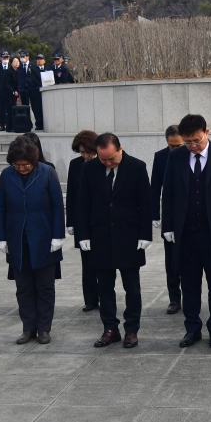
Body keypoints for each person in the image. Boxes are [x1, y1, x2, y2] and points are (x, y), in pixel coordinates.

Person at [161, 114, 211, 349]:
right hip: (186, 235)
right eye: (187, 142)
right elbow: (170, 193)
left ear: (207, 132)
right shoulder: (176, 157)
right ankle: (192, 328)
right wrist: (168, 227)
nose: (192, 146)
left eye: (196, 140)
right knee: (190, 285)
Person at [77, 133, 152, 349]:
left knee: (132, 288)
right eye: (103, 159)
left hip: (129, 236)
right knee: (105, 288)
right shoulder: (89, 169)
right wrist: (83, 235)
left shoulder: (137, 167)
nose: (108, 163)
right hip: (99, 236)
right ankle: (110, 328)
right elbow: (83, 203)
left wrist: (145, 235)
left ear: (120, 149)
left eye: (111, 158)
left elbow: (145, 203)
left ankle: (131, 329)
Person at [0, 137, 65, 344]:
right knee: (23, 286)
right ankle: (28, 327)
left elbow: (57, 206)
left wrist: (57, 235)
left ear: (34, 161)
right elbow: (0, 206)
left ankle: (44, 328)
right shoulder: (7, 175)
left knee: (44, 286)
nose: (21, 168)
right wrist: (1, 237)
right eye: (17, 165)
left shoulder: (47, 172)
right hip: (17, 237)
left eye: (25, 164)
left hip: (43, 236)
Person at [150, 125, 185, 314]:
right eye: (172, 146)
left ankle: (189, 295)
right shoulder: (161, 157)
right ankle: (174, 297)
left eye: (179, 145)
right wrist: (154, 215)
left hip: (189, 215)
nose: (176, 150)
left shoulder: (191, 154)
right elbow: (155, 188)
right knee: (171, 259)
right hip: (170, 215)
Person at [66, 130, 100, 312]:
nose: (86, 155)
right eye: (82, 152)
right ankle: (90, 299)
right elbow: (71, 194)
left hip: (100, 219)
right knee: (86, 263)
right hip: (82, 220)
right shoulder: (76, 165)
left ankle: (104, 294)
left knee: (101, 262)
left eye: (89, 151)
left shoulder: (103, 162)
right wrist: (70, 221)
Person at [18, 50, 44, 130]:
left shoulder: (33, 66)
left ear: (28, 57)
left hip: (33, 89)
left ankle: (39, 123)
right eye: (21, 57)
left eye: (24, 56)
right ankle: (27, 124)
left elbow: (38, 78)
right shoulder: (20, 67)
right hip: (23, 90)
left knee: (35, 107)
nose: (23, 58)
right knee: (25, 107)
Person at [0, 51, 16, 132]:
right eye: (4, 57)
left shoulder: (11, 67)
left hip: (10, 92)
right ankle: (2, 125)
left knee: (10, 110)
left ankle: (10, 126)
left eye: (7, 57)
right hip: (1, 92)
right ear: (0, 58)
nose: (5, 59)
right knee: (1, 110)